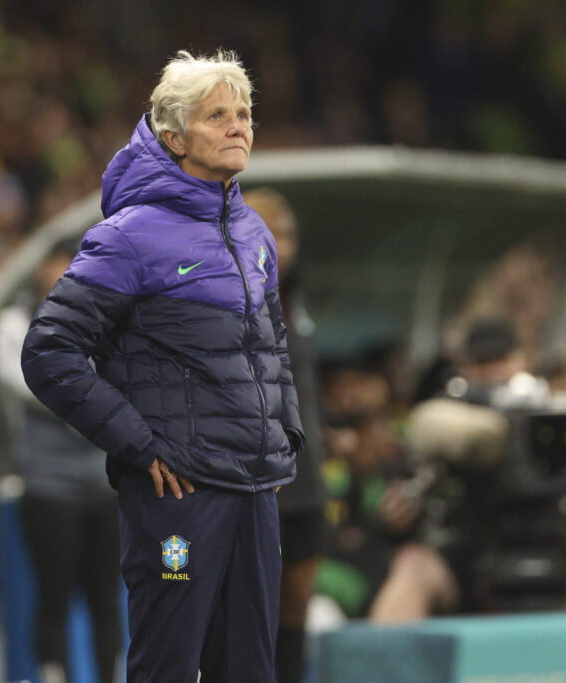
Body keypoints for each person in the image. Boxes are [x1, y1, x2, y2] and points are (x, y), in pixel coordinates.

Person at [22, 50, 304, 682]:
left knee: (251, 670)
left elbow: (274, 342)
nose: (239, 128)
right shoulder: (130, 235)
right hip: (178, 497)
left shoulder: (255, 232)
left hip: (255, 491)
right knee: (168, 666)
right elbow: (48, 350)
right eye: (218, 116)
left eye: (245, 114)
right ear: (173, 137)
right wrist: (139, 444)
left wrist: (283, 433)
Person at [368, 317, 566, 621]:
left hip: (547, 543)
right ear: (465, 369)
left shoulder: (550, 416)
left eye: (501, 360)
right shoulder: (447, 420)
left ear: (521, 361)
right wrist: (392, 521)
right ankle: (379, 663)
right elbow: (407, 487)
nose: (494, 371)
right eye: (483, 362)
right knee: (412, 565)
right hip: (468, 552)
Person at [0, 242, 120, 683]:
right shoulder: (13, 323)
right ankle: (53, 675)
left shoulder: (111, 320)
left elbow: (126, 375)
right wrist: (86, 388)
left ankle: (109, 675)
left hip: (105, 484)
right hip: (48, 486)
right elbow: (24, 379)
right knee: (53, 597)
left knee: (107, 598)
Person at [243, 188, 327, 683]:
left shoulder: (299, 299)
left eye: (291, 233)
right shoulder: (230, 294)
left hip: (308, 477)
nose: (285, 244)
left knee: (296, 605)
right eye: (274, 231)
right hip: (259, 474)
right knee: (252, 603)